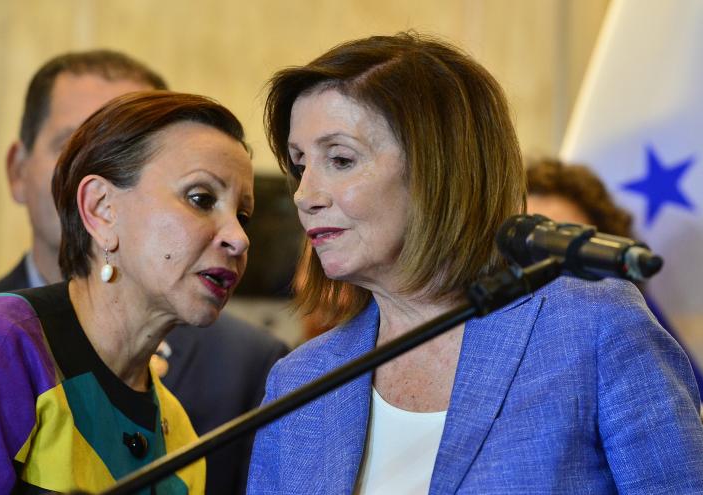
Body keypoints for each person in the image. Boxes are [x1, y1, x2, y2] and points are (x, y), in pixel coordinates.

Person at [248, 32, 703, 494]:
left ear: (437, 170)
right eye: (300, 164)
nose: (305, 196)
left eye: (340, 159)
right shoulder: (300, 382)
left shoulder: (592, 328)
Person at [0, 50, 287, 494]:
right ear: (101, 209)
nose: (238, 239)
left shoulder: (181, 435)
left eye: (243, 216)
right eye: (200, 198)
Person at [525, 157, 703, 395]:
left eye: (567, 247)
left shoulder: (634, 334)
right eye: (529, 245)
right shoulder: (471, 342)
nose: (545, 263)